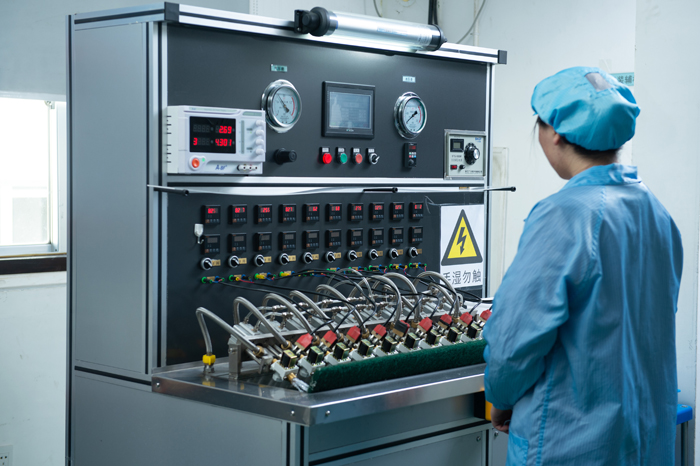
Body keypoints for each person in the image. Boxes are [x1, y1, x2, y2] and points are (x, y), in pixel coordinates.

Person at [482, 67, 683, 465]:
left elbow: (514, 340)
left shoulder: (564, 215)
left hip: (570, 443)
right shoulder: (655, 211)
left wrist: (500, 399)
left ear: (555, 133)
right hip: (643, 440)